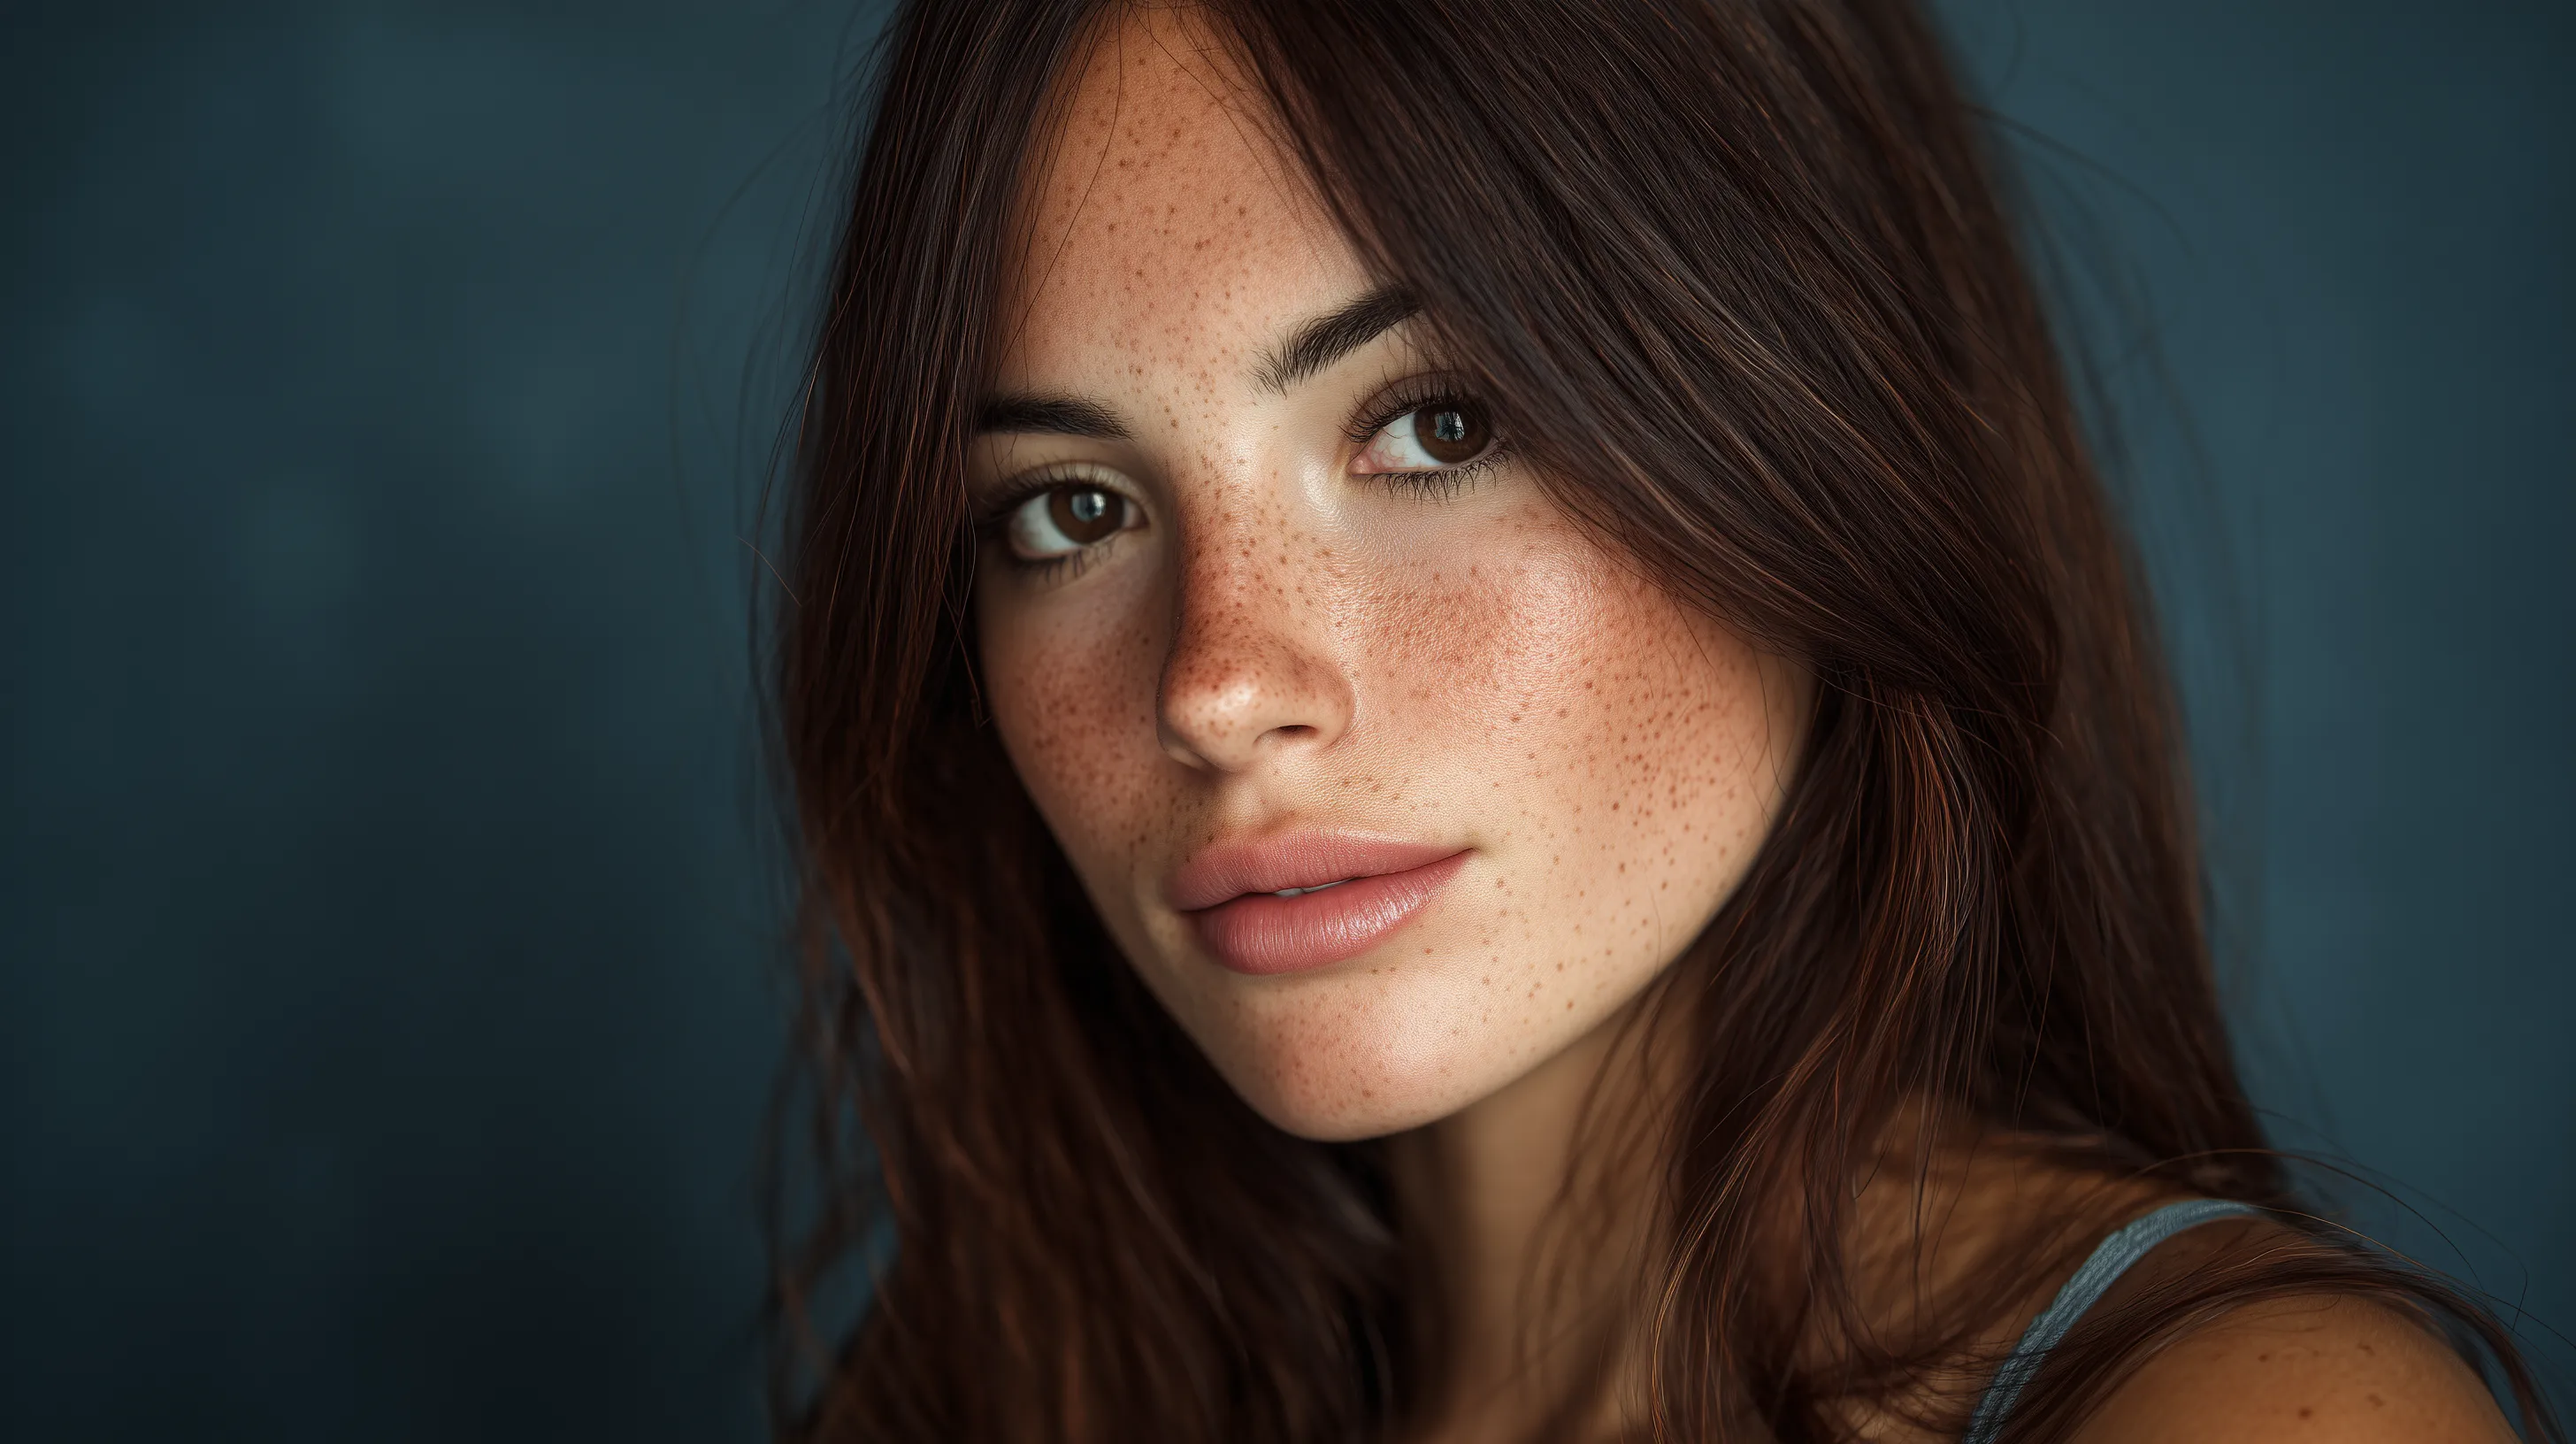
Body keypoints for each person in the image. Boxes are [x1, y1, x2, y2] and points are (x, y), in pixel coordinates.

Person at [763, 2, 2558, 1440]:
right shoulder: (992, 1394)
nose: (1217, 684)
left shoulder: (2246, 1419)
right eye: (1071, 510)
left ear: (1810, 435)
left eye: (1439, 428)